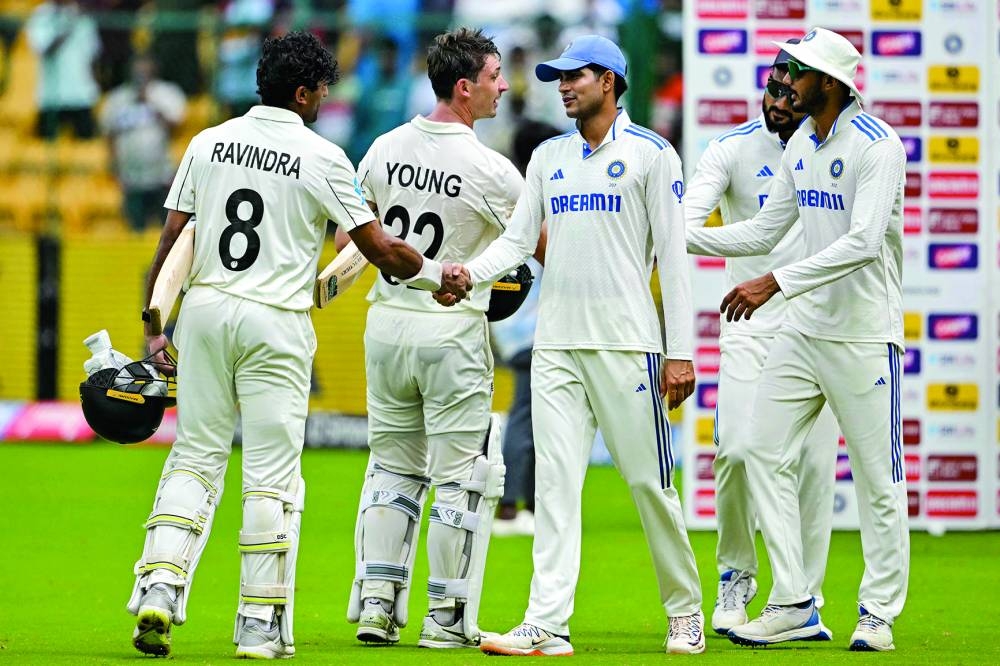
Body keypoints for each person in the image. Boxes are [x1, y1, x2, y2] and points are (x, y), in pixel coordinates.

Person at [127, 31, 464, 660]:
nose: (324, 103)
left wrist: (153, 324)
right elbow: (377, 250)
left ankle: (161, 587)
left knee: (195, 459)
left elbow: (175, 236)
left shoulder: (208, 142)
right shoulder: (322, 156)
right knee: (272, 478)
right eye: (322, 92)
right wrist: (439, 274)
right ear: (302, 92)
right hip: (276, 323)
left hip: (202, 311)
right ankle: (257, 625)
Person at [443, 34, 706, 656]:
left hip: (628, 345)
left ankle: (685, 611)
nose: (562, 85)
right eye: (558, 77)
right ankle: (547, 622)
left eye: (575, 76)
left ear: (609, 81)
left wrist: (680, 350)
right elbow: (514, 242)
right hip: (556, 343)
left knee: (650, 485)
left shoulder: (652, 154)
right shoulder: (549, 157)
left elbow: (673, 258)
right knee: (556, 487)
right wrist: (469, 272)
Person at [686, 28, 908, 652]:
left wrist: (775, 283)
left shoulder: (878, 145)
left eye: (800, 72)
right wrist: (673, 235)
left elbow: (863, 243)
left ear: (831, 84)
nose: (787, 80)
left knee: (878, 479)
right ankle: (793, 601)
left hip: (863, 335)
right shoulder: (802, 145)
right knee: (757, 452)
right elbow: (761, 231)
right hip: (803, 332)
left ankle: (878, 612)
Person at [336, 27, 531, 650]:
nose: (504, 85)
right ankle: (445, 618)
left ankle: (375, 604)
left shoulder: (384, 146)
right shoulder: (491, 170)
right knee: (460, 478)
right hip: (451, 331)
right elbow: (539, 245)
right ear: (466, 86)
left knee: (392, 470)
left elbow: (348, 244)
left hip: (386, 325)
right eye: (496, 75)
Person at [683, 42, 839, 637]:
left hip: (820, 324)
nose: (776, 101)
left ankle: (800, 594)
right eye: (770, 90)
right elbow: (690, 219)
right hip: (749, 325)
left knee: (814, 469)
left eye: (786, 91)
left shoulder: (839, 152)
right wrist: (667, 232)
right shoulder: (730, 149)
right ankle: (735, 576)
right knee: (738, 452)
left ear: (812, 93)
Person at [491, 120, 561, 537]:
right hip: (531, 328)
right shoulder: (535, 198)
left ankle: (529, 502)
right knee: (526, 416)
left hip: (515, 324)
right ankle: (510, 503)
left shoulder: (510, 193)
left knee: (535, 417)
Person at [100, 55, 187, 232]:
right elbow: (108, 134)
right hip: (130, 179)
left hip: (163, 177)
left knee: (167, 233)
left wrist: (150, 102)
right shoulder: (117, 99)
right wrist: (113, 164)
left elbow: (178, 128)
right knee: (136, 230)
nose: (141, 74)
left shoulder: (167, 93)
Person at [24, 0, 101, 140]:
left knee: (86, 148)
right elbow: (45, 50)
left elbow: (93, 53)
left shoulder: (82, 14)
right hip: (51, 96)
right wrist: (69, 25)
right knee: (44, 148)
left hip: (81, 94)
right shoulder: (41, 14)